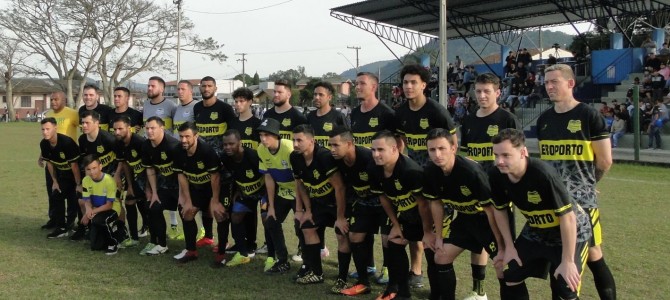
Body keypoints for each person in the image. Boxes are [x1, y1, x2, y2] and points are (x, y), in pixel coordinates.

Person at [537, 64, 616, 300]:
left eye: (554, 82)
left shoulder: (588, 115)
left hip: (582, 205)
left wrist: (588, 185)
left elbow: (604, 161)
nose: (549, 86)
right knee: (591, 254)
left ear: (570, 84)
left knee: (582, 260)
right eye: (546, 82)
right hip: (554, 203)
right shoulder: (544, 120)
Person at [488, 128, 592, 300]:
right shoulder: (496, 175)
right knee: (511, 272)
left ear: (522, 153)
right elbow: (500, 211)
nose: (499, 161)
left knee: (565, 285)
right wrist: (509, 247)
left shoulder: (543, 174)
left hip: (573, 230)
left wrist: (567, 261)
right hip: (536, 230)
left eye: (506, 155)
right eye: (496, 155)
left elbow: (568, 218)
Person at [394, 64, 457, 292]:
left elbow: (453, 143)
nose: (408, 86)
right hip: (414, 178)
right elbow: (400, 141)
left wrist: (448, 171)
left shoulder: (436, 111)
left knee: (437, 228)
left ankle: (439, 278)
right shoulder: (400, 112)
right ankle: (416, 271)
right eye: (405, 82)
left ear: (423, 85)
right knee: (415, 226)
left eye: (413, 82)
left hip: (437, 179)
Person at [422, 128, 505, 300]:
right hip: (465, 218)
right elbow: (436, 204)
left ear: (454, 148)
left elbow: (492, 210)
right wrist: (438, 236)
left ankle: (482, 292)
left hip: (488, 219)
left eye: (442, 148)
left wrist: (501, 245)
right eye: (432, 150)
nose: (437, 154)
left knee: (503, 266)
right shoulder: (430, 171)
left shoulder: (471, 172)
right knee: (441, 256)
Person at [368, 130, 431, 300]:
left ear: (395, 149)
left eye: (380, 150)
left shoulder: (410, 170)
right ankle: (402, 293)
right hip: (405, 214)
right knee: (394, 243)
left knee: (435, 253)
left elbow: (424, 204)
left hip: (427, 216)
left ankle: (439, 293)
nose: (375, 154)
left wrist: (427, 232)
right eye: (373, 150)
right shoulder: (374, 170)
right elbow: (384, 199)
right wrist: (396, 224)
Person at [349, 71, 398, 284]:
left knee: (387, 232)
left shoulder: (386, 113)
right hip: (361, 181)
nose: (357, 87)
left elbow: (397, 144)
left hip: (383, 181)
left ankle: (388, 269)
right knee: (363, 227)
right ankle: (368, 266)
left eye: (362, 83)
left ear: (374, 87)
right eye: (356, 84)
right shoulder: (354, 113)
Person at [328, 127, 384, 296]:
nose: (332, 149)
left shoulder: (368, 158)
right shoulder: (336, 160)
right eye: (330, 145)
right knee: (353, 235)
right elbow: (341, 188)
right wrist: (340, 217)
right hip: (362, 202)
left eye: (336, 145)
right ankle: (363, 281)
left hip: (383, 202)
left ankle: (394, 284)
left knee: (390, 239)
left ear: (350, 144)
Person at [290, 125, 348, 289]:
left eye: (299, 140)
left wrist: (341, 217)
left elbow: (340, 187)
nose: (295, 144)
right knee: (307, 227)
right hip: (319, 204)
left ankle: (342, 278)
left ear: (311, 141)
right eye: (293, 140)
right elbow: (300, 185)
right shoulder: (295, 157)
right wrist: (305, 210)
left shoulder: (324, 156)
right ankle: (316, 273)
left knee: (341, 234)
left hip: (338, 205)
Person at [262, 79, 308, 263]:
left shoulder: (297, 116)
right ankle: (271, 248)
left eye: (280, 92)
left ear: (289, 94)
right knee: (268, 215)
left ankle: (304, 248)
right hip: (275, 171)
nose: (276, 95)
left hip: (294, 174)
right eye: (274, 92)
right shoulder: (268, 114)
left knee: (300, 220)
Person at [192, 76, 237, 250]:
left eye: (209, 86)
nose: (206, 89)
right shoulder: (197, 107)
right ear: (200, 88)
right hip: (202, 161)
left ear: (215, 88)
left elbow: (232, 134)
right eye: (203, 86)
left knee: (221, 205)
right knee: (205, 202)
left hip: (221, 163)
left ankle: (224, 242)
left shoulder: (225, 108)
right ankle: (208, 237)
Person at [172, 122, 223, 264]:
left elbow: (215, 177)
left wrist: (215, 200)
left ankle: (222, 249)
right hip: (196, 188)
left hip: (213, 188)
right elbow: (181, 176)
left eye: (187, 136)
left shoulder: (207, 151)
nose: (183, 140)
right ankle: (191, 250)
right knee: (186, 211)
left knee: (218, 213)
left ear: (196, 135)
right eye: (181, 136)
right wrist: (186, 199)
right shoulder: (177, 151)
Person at [257, 118, 299, 274]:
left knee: (302, 226)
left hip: (298, 192)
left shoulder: (289, 148)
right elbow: (268, 177)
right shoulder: (261, 149)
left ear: (276, 135)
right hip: (282, 191)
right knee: (271, 221)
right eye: (261, 135)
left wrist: (300, 207)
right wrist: (272, 207)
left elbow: (299, 179)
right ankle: (282, 261)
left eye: (267, 135)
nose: (263, 139)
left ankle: (307, 261)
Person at [142, 76, 179, 238]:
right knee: (154, 192)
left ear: (162, 89)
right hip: (152, 153)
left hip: (169, 153)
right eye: (148, 86)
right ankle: (151, 230)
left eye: (153, 86)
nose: (149, 88)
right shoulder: (145, 105)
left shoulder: (171, 105)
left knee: (173, 192)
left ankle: (174, 224)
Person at [72, 110, 118, 241]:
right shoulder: (82, 140)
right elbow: (84, 164)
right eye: (82, 123)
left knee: (116, 202)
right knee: (81, 200)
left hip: (111, 176)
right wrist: (80, 183)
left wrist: (117, 176)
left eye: (87, 123)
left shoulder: (107, 138)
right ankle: (87, 227)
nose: (84, 126)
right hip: (93, 178)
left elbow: (120, 158)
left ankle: (121, 229)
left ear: (97, 123)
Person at [227, 87, 262, 257]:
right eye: (236, 101)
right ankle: (239, 242)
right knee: (236, 208)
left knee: (252, 211)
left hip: (255, 175)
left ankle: (252, 243)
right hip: (238, 175)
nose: (238, 104)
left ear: (250, 102)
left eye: (242, 101)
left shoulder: (257, 124)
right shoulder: (232, 123)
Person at [221, 129, 264, 266]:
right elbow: (234, 176)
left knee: (267, 218)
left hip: (263, 191)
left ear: (240, 143)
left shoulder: (252, 156)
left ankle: (272, 254)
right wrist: (237, 191)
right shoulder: (225, 158)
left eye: (231, 144)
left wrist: (268, 197)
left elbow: (267, 175)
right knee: (236, 215)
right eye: (225, 144)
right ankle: (243, 252)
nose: (228, 147)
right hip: (245, 192)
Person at [140, 116, 180, 256]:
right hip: (164, 187)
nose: (149, 131)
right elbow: (150, 170)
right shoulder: (145, 146)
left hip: (180, 187)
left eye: (153, 128)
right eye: (147, 128)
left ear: (162, 128)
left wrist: (184, 195)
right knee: (153, 207)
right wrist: (154, 192)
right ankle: (161, 244)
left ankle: (191, 247)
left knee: (186, 213)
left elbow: (182, 173)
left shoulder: (173, 145)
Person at [40, 91, 80, 230]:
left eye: (56, 99)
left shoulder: (73, 114)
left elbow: (85, 127)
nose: (53, 102)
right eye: (51, 100)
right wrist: (42, 154)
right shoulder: (49, 115)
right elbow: (46, 138)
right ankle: (55, 219)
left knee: (70, 193)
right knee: (52, 189)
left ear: (64, 100)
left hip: (69, 159)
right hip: (53, 159)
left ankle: (70, 221)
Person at [111, 116, 150, 248]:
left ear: (129, 128)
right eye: (115, 129)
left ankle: (154, 236)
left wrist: (149, 188)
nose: (117, 132)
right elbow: (125, 164)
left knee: (149, 206)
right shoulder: (118, 142)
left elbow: (150, 167)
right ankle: (134, 238)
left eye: (120, 129)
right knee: (129, 201)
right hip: (135, 177)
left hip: (149, 177)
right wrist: (130, 185)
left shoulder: (140, 142)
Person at [80, 154, 124, 255]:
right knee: (95, 247)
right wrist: (88, 211)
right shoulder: (85, 180)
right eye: (88, 169)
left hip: (112, 208)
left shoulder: (109, 180)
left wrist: (91, 212)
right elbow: (87, 200)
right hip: (98, 209)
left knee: (100, 220)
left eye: (94, 168)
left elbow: (109, 205)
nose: (92, 172)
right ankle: (113, 234)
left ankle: (114, 243)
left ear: (100, 166)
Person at [307, 81, 348, 148]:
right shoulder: (309, 117)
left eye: (321, 95)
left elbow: (346, 141)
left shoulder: (338, 116)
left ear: (329, 97)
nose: (317, 97)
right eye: (315, 94)